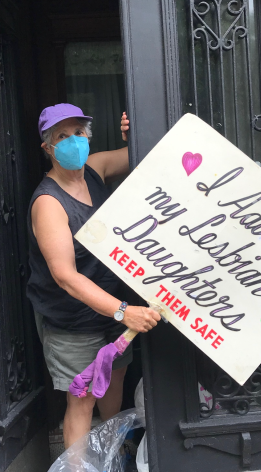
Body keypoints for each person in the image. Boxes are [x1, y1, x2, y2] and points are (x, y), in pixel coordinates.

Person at [27, 103, 161, 448]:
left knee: (113, 391)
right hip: (74, 322)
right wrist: (123, 311)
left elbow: (141, 156)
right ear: (48, 148)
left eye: (79, 133)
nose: (74, 141)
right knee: (82, 401)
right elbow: (65, 277)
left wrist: (135, 133)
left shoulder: (95, 168)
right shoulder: (48, 202)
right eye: (63, 136)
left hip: (113, 314)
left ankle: (110, 460)